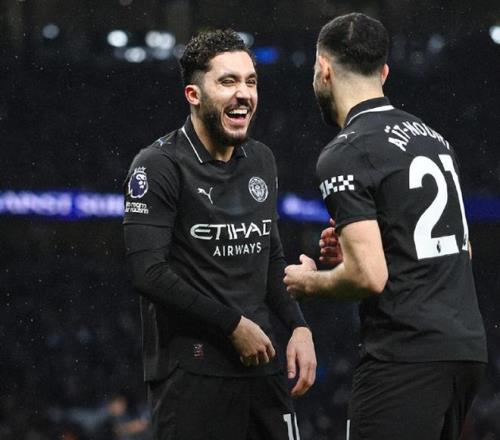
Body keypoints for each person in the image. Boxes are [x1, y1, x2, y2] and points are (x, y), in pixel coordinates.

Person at [284, 13, 487, 440]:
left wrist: (310, 282)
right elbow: (460, 251)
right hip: (464, 352)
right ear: (384, 72)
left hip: (405, 357)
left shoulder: (345, 152)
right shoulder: (434, 139)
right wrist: (364, 247)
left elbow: (369, 277)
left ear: (323, 69)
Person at [123, 29, 316, 440]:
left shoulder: (261, 159)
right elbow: (148, 272)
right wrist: (233, 325)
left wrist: (299, 327)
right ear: (194, 94)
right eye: (228, 81)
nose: (243, 93)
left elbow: (270, 256)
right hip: (192, 373)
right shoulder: (157, 165)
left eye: (251, 81)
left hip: (262, 364)